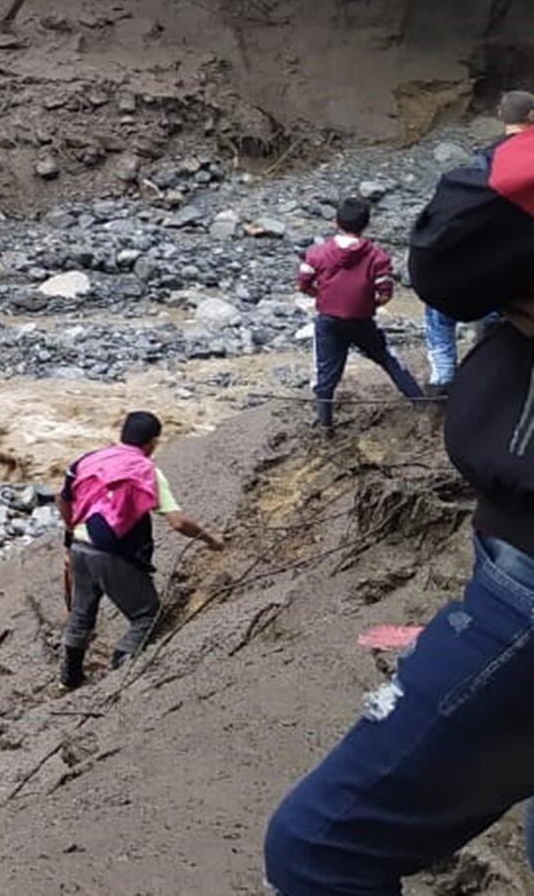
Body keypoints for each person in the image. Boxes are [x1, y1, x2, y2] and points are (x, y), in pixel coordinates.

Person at [265, 122, 534, 893]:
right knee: (387, 355)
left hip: (525, 576)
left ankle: (329, 409)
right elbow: (387, 283)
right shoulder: (367, 256)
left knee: (318, 847)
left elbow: (445, 260)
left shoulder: (325, 253)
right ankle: (410, 390)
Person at [56, 411, 227, 690]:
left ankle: (69, 679)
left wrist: (69, 535)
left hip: (79, 546)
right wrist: (212, 540)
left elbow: (62, 499)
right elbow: (179, 522)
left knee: (81, 614)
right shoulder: (147, 471)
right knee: (147, 616)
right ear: (152, 442)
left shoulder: (88, 460)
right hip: (112, 553)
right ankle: (123, 667)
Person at [423, 90, 534, 396]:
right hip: (519, 270)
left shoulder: (486, 161)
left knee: (437, 313)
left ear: (501, 116)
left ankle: (442, 380)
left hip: (491, 261)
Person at [299, 196, 423, 429]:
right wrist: (367, 305)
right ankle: (421, 404)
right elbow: (385, 293)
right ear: (366, 224)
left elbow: (303, 283)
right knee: (389, 359)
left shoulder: (317, 254)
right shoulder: (378, 257)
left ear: (336, 221)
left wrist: (321, 296)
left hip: (329, 321)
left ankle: (325, 424)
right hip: (362, 322)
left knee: (325, 374)